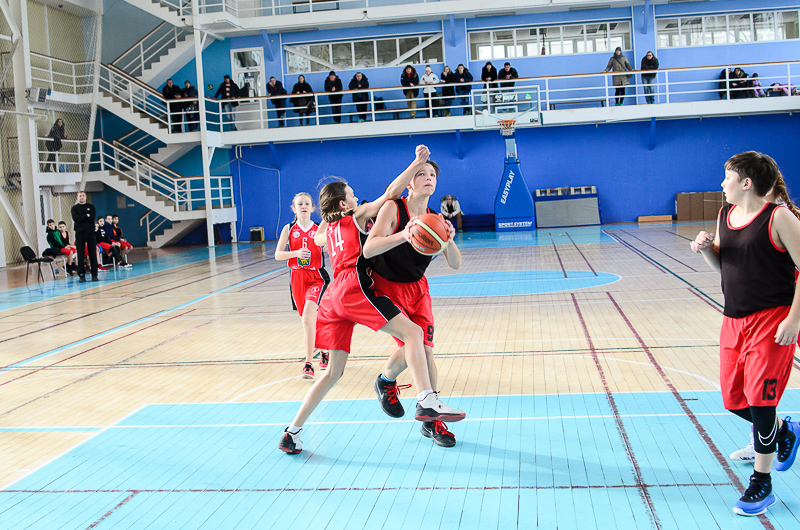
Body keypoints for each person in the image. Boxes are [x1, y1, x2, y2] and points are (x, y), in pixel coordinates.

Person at [278, 145, 465, 455]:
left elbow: (319, 238)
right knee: (414, 334)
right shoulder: (358, 215)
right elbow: (390, 193)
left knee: (333, 373)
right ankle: (426, 400)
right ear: (344, 204)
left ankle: (292, 432)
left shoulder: (330, 228)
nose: (358, 198)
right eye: (353, 195)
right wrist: (415, 163)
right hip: (354, 286)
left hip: (332, 297)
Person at [690, 151, 800, 516]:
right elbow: (726, 266)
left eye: (728, 177)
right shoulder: (726, 215)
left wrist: (794, 320)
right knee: (735, 399)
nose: (722, 184)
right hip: (734, 321)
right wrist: (707, 250)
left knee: (760, 402)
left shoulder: (778, 217)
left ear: (746, 182)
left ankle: (761, 483)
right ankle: (785, 431)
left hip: (772, 321)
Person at [363, 160, 463, 448]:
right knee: (415, 345)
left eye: (432, 175)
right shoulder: (393, 208)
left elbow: (456, 264)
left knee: (425, 351)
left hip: (418, 289)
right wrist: (404, 234)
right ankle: (403, 392)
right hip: (387, 287)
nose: (428, 178)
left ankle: (428, 418)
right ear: (409, 182)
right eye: (422, 174)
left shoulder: (436, 219)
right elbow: (369, 248)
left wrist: (449, 240)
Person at [274, 192, 331, 379]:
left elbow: (330, 245)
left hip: (317, 276)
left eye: (307, 203)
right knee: (307, 320)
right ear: (294, 208)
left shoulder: (318, 228)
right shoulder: (289, 229)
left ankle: (308, 363)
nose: (304, 206)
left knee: (308, 317)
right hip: (297, 277)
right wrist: (295, 253)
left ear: (313, 208)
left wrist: (328, 246)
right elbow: (278, 254)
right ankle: (324, 348)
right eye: (300, 204)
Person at [71, 191, 98, 282]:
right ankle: (81, 275)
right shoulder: (75, 208)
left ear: (85, 196)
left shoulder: (91, 207)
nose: (81, 197)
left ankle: (94, 274)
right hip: (79, 232)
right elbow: (76, 218)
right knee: (80, 254)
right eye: (80, 196)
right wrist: (86, 216)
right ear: (77, 197)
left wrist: (82, 217)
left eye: (83, 195)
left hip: (90, 232)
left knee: (92, 253)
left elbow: (92, 218)